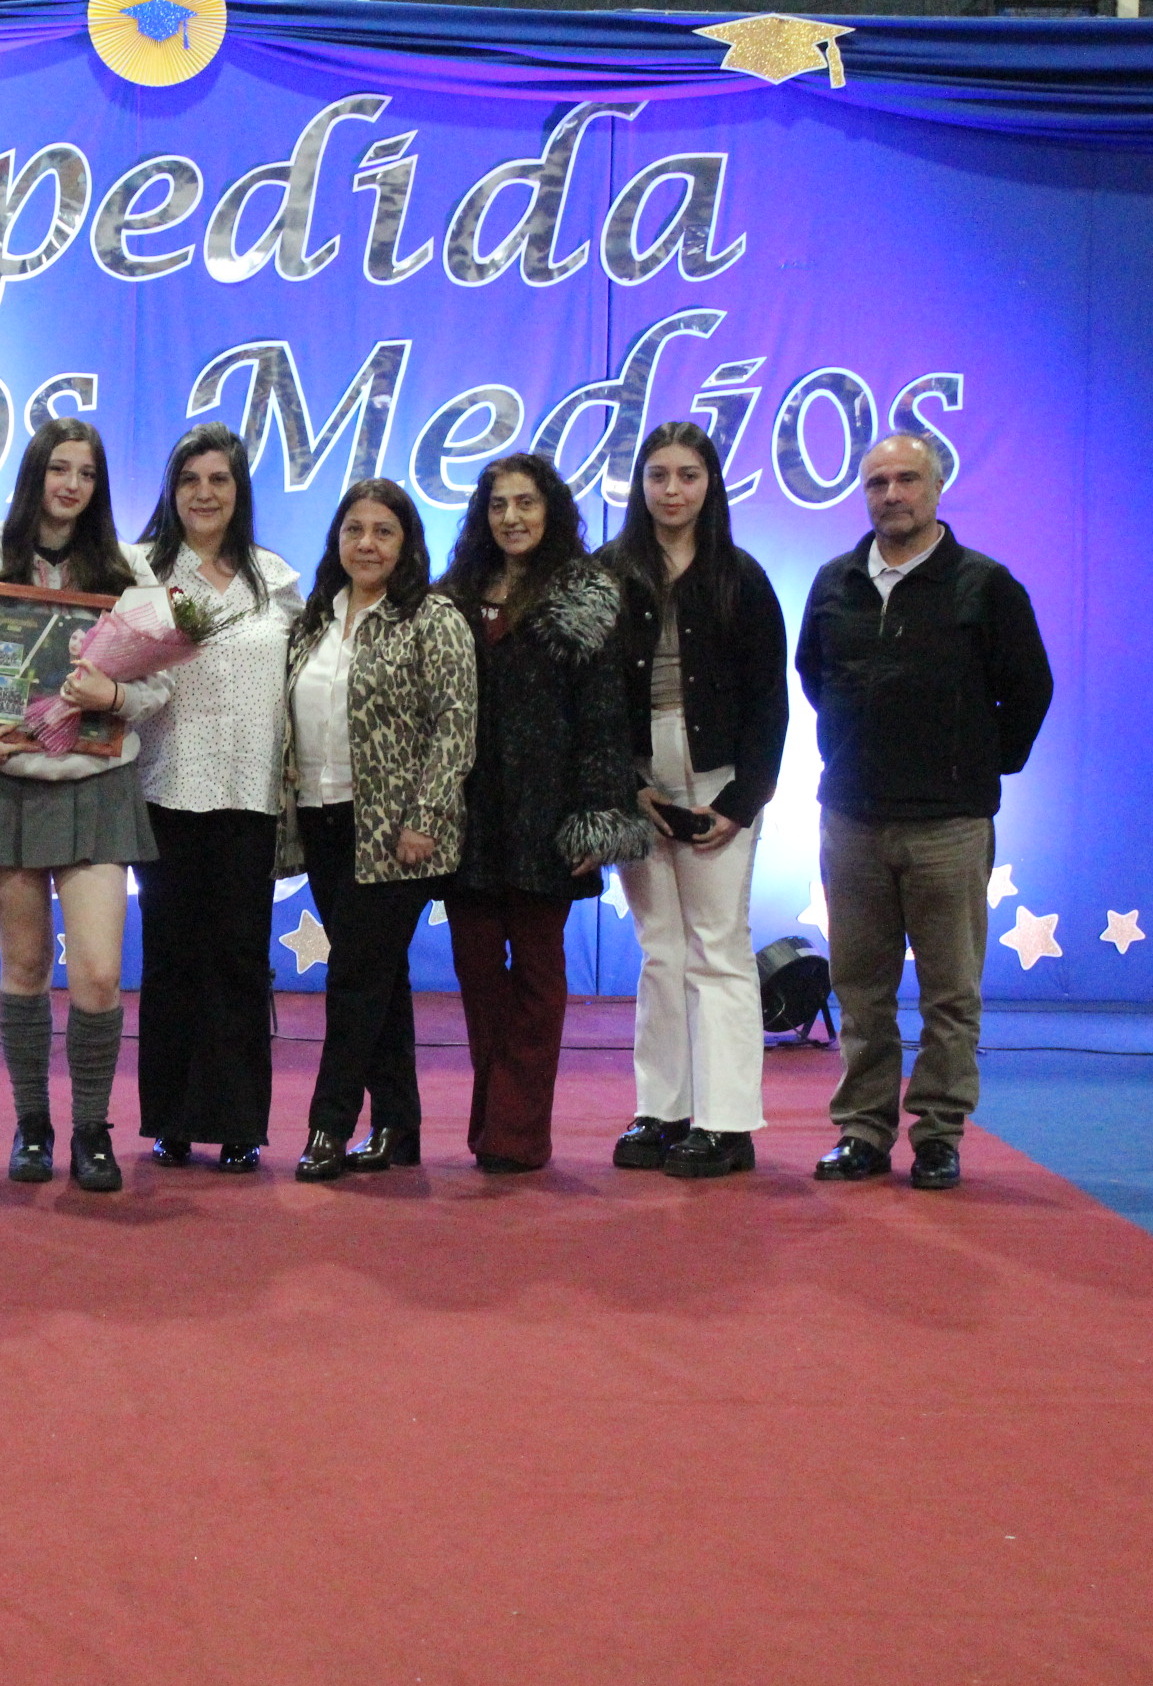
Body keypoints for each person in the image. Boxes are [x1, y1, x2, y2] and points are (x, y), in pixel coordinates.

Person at [797, 433, 1052, 1190]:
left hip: (948, 824)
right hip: (851, 819)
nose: (892, 494)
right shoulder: (833, 583)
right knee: (859, 990)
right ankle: (863, 1130)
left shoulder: (985, 586)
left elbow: (1029, 689)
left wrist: (977, 765)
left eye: (907, 479)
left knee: (950, 994)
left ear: (937, 488)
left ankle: (938, 1134)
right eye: (877, 482)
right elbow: (814, 675)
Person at [0, 419, 168, 1195]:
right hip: (8, 786)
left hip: (97, 783)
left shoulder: (129, 572)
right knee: (28, 965)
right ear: (34, 474)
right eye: (59, 469)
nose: (72, 485)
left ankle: (92, 1129)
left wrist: (115, 696)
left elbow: (160, 684)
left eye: (87, 473)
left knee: (99, 974)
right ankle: (32, 1124)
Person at [434, 453, 652, 1173]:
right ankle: (502, 1120)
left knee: (536, 978)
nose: (512, 517)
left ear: (550, 508)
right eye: (499, 504)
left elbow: (605, 718)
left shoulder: (584, 596)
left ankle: (515, 1135)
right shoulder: (453, 594)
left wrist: (598, 815)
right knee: (477, 975)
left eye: (525, 502)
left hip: (546, 818)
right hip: (467, 818)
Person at [277, 479, 475, 1182]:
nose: (367, 543)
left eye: (383, 531)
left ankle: (328, 1127)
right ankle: (398, 1125)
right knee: (379, 979)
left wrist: (424, 818)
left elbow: (455, 728)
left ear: (407, 543)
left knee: (353, 978)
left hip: (397, 834)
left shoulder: (433, 618)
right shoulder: (314, 618)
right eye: (354, 529)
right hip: (323, 821)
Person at [607, 423, 789, 1180]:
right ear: (640, 485)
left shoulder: (741, 577)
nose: (672, 490)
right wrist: (629, 788)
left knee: (718, 948)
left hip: (720, 782)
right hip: (639, 782)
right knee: (661, 949)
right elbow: (592, 697)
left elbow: (771, 702)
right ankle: (663, 1109)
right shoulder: (609, 574)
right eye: (658, 475)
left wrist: (741, 804)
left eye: (687, 475)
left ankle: (727, 1123)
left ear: (710, 483)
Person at [130, 423, 302, 1173]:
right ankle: (170, 1120)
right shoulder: (140, 573)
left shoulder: (277, 580)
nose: (204, 493)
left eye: (219, 480)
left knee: (239, 962)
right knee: (170, 961)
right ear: (172, 491)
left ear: (240, 491)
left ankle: (238, 1122)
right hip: (165, 789)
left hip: (250, 797)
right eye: (190, 480)